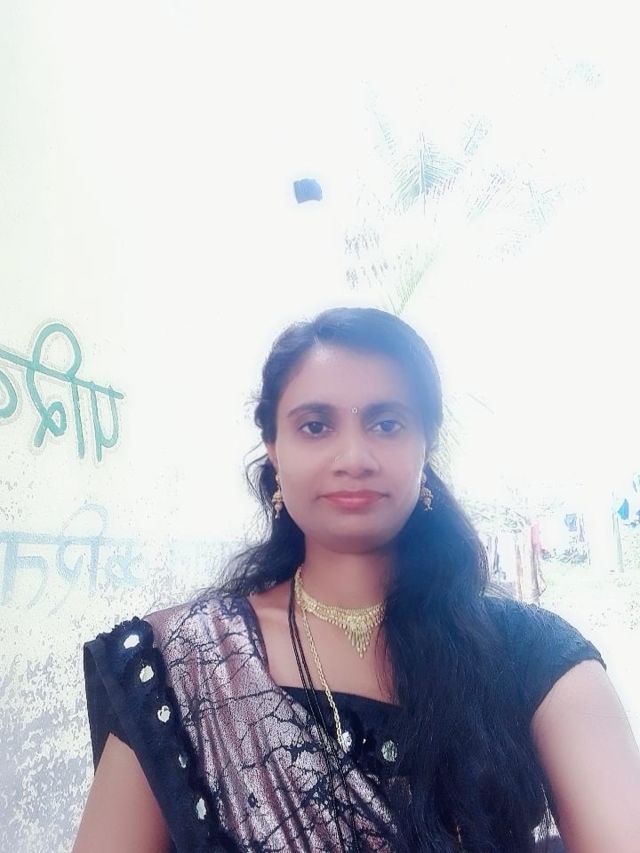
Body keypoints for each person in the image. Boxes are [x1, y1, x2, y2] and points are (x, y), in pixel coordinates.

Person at [72, 307, 640, 852]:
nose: (354, 456)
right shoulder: (182, 663)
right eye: (315, 426)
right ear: (274, 450)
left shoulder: (532, 656)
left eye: (387, 423)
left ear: (425, 445)